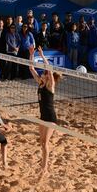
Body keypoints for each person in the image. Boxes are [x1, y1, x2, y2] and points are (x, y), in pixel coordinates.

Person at [28, 48, 61, 177]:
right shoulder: (40, 84)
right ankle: (43, 165)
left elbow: (50, 70)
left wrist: (42, 55)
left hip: (51, 118)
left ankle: (45, 168)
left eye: (44, 73)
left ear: (47, 76)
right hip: (43, 117)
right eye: (42, 73)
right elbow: (31, 68)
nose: (41, 74)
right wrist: (31, 54)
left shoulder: (50, 86)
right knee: (42, 143)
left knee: (45, 143)